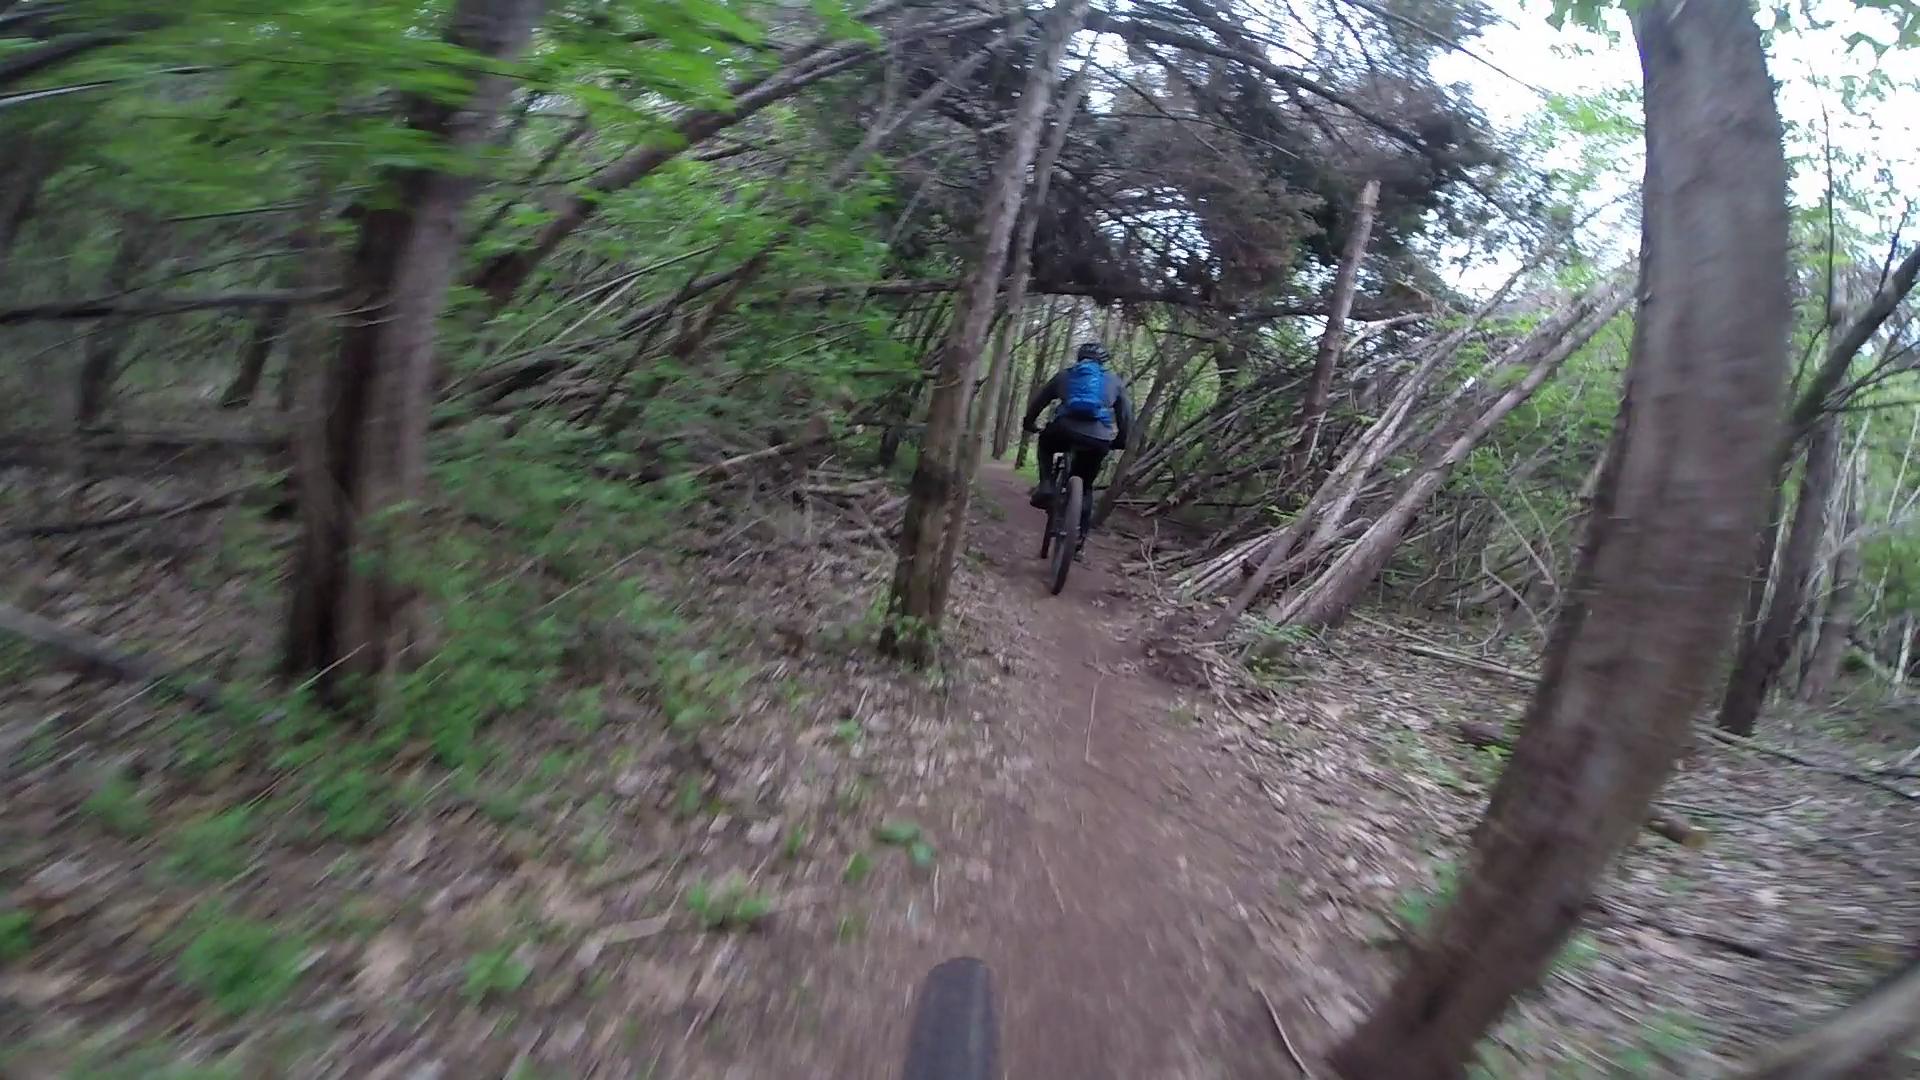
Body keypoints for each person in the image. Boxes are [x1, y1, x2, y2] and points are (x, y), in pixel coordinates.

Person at [1022, 342, 1135, 547]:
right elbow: (1125, 415)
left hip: (1064, 431)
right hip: (1098, 438)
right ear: (1103, 362)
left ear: (1079, 358)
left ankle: (1046, 485)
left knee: (1046, 442)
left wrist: (1029, 423)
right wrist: (1120, 440)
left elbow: (1039, 402)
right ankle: (1079, 539)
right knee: (1086, 486)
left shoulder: (1065, 375)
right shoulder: (1114, 381)